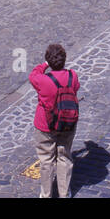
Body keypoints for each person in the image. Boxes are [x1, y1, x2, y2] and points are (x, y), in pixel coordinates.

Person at [29, 43, 81, 199]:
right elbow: (75, 88)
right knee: (64, 156)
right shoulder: (73, 76)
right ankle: (64, 193)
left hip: (45, 125)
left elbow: (33, 75)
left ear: (49, 61)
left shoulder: (42, 80)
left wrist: (45, 63)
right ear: (64, 60)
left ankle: (46, 194)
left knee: (46, 160)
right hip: (67, 123)